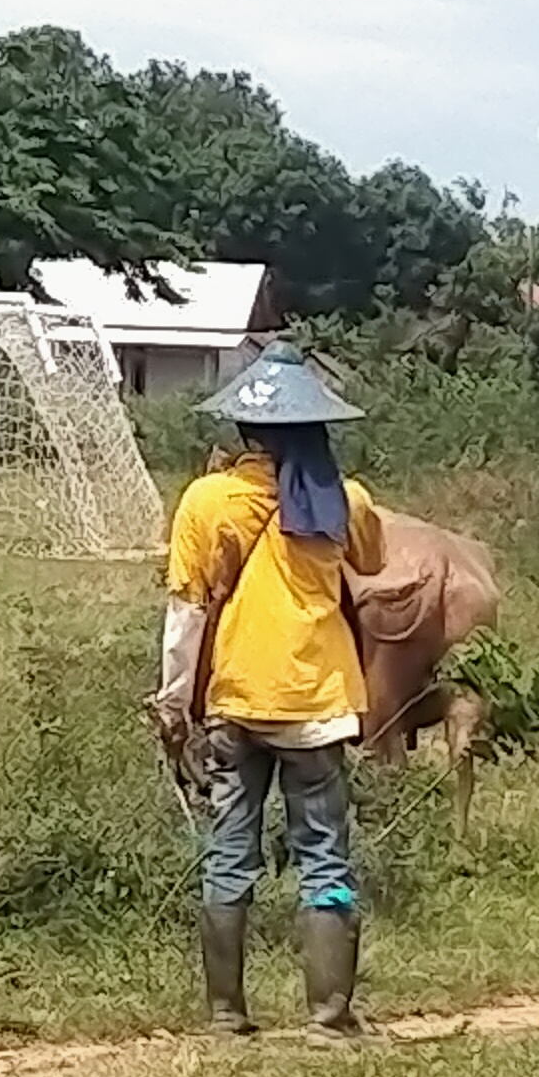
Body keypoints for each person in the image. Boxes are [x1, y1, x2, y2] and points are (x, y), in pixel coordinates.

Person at [149, 341, 389, 1038]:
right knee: (324, 857)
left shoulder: (206, 500)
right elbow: (372, 559)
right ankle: (329, 1016)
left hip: (232, 703)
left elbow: (186, 613)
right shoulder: (345, 499)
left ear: (242, 430)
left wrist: (172, 701)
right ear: (316, 428)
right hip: (315, 705)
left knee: (228, 851)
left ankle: (226, 1014)